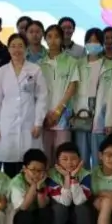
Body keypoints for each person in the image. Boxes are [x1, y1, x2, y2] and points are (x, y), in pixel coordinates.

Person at [0, 34, 48, 178]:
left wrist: (38, 123)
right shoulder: (1, 72)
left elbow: (42, 97)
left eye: (20, 46)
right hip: (7, 124)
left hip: (29, 123)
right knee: (9, 166)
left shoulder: (35, 70)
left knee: (29, 165)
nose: (17, 50)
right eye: (13, 46)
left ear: (26, 48)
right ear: (8, 49)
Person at [73, 28, 112, 167]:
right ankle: (84, 181)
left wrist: (110, 121)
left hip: (101, 116)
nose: (93, 44)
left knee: (100, 157)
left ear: (102, 43)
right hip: (81, 115)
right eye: (90, 41)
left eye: (96, 41)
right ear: (85, 43)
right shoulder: (78, 64)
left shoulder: (110, 65)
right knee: (82, 158)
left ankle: (99, 181)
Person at [47, 141, 95, 224]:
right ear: (57, 161)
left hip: (77, 216)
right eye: (64, 159)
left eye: (73, 159)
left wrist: (73, 177)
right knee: (59, 208)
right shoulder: (51, 175)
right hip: (59, 215)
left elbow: (79, 200)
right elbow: (65, 202)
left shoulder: (85, 175)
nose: (69, 163)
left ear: (79, 160)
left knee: (82, 208)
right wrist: (67, 178)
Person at [38, 25, 78, 162]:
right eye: (49, 37)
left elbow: (72, 87)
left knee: (63, 156)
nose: (53, 40)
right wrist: (45, 114)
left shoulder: (71, 62)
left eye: (56, 36)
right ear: (45, 39)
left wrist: (58, 111)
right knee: (45, 156)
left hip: (63, 116)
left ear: (62, 39)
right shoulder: (39, 64)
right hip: (44, 116)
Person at [9, 149, 54, 224]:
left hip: (34, 214)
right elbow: (23, 207)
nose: (36, 174)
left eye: (40, 170)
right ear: (24, 168)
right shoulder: (16, 182)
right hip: (17, 217)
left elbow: (42, 205)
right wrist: (34, 185)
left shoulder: (44, 181)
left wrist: (39, 188)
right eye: (33, 170)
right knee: (25, 215)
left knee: (46, 213)